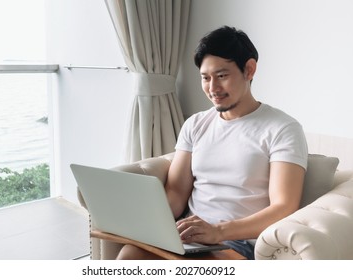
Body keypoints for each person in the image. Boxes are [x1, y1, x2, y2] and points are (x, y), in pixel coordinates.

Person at [117, 26, 308, 260]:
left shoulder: (283, 128)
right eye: (205, 78)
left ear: (249, 70)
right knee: (129, 255)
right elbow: (177, 192)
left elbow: (284, 207)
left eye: (222, 76)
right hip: (190, 235)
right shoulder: (195, 124)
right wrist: (150, 227)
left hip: (239, 242)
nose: (213, 88)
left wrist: (218, 232)